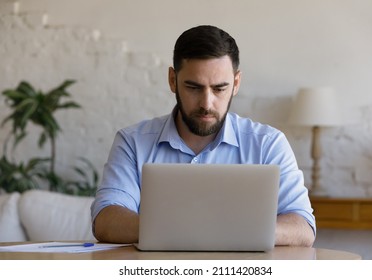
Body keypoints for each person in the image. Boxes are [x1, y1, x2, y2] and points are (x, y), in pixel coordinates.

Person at [91, 25, 316, 247]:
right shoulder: (132, 142)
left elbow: (302, 227)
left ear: (236, 84)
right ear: (172, 80)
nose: (206, 104)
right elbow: (106, 219)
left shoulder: (268, 144)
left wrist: (206, 231)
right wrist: (210, 231)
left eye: (219, 89)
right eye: (193, 87)